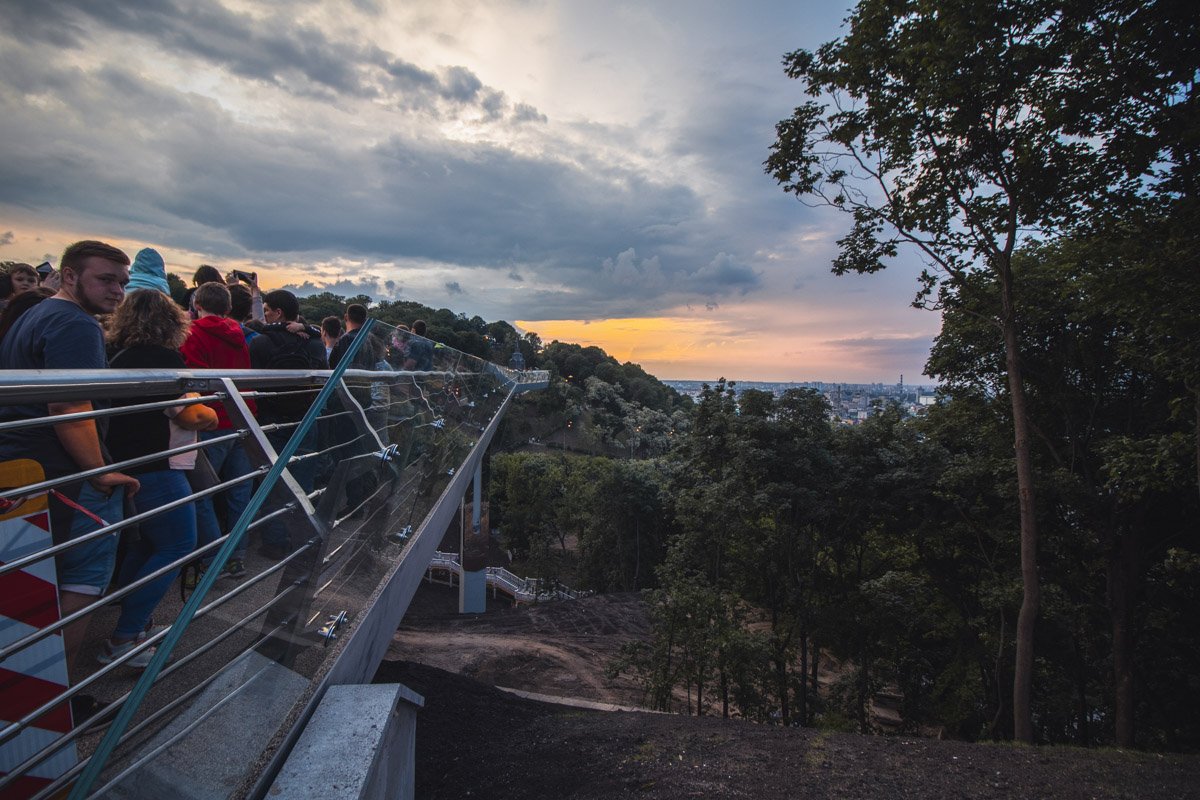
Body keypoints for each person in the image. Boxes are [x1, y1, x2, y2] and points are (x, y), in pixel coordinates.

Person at [0, 240, 140, 666]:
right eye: (105, 279)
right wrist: (99, 472)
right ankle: (50, 695)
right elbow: (69, 404)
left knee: (31, 581)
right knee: (80, 579)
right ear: (69, 275)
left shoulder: (36, 314)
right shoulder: (75, 324)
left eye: (122, 282)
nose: (117, 291)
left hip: (26, 464)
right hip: (62, 473)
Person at [103, 289, 214, 666]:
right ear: (170, 323)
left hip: (125, 462)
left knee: (147, 544)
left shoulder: (116, 356)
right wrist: (210, 412)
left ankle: (135, 620)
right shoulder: (164, 360)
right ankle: (125, 638)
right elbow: (190, 414)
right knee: (179, 543)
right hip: (158, 464)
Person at [180, 282, 256, 580]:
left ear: (197, 304)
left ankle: (213, 558)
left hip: (212, 422)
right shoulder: (241, 337)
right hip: (243, 419)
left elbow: (192, 380)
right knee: (240, 493)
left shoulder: (193, 334)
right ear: (227, 308)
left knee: (202, 492)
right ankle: (236, 556)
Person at [249, 289, 326, 559]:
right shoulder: (315, 344)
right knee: (302, 481)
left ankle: (274, 541)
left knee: (272, 481)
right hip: (305, 419)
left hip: (270, 420)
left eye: (267, 309)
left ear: (279, 313)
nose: (265, 314)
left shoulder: (260, 343)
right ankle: (300, 536)